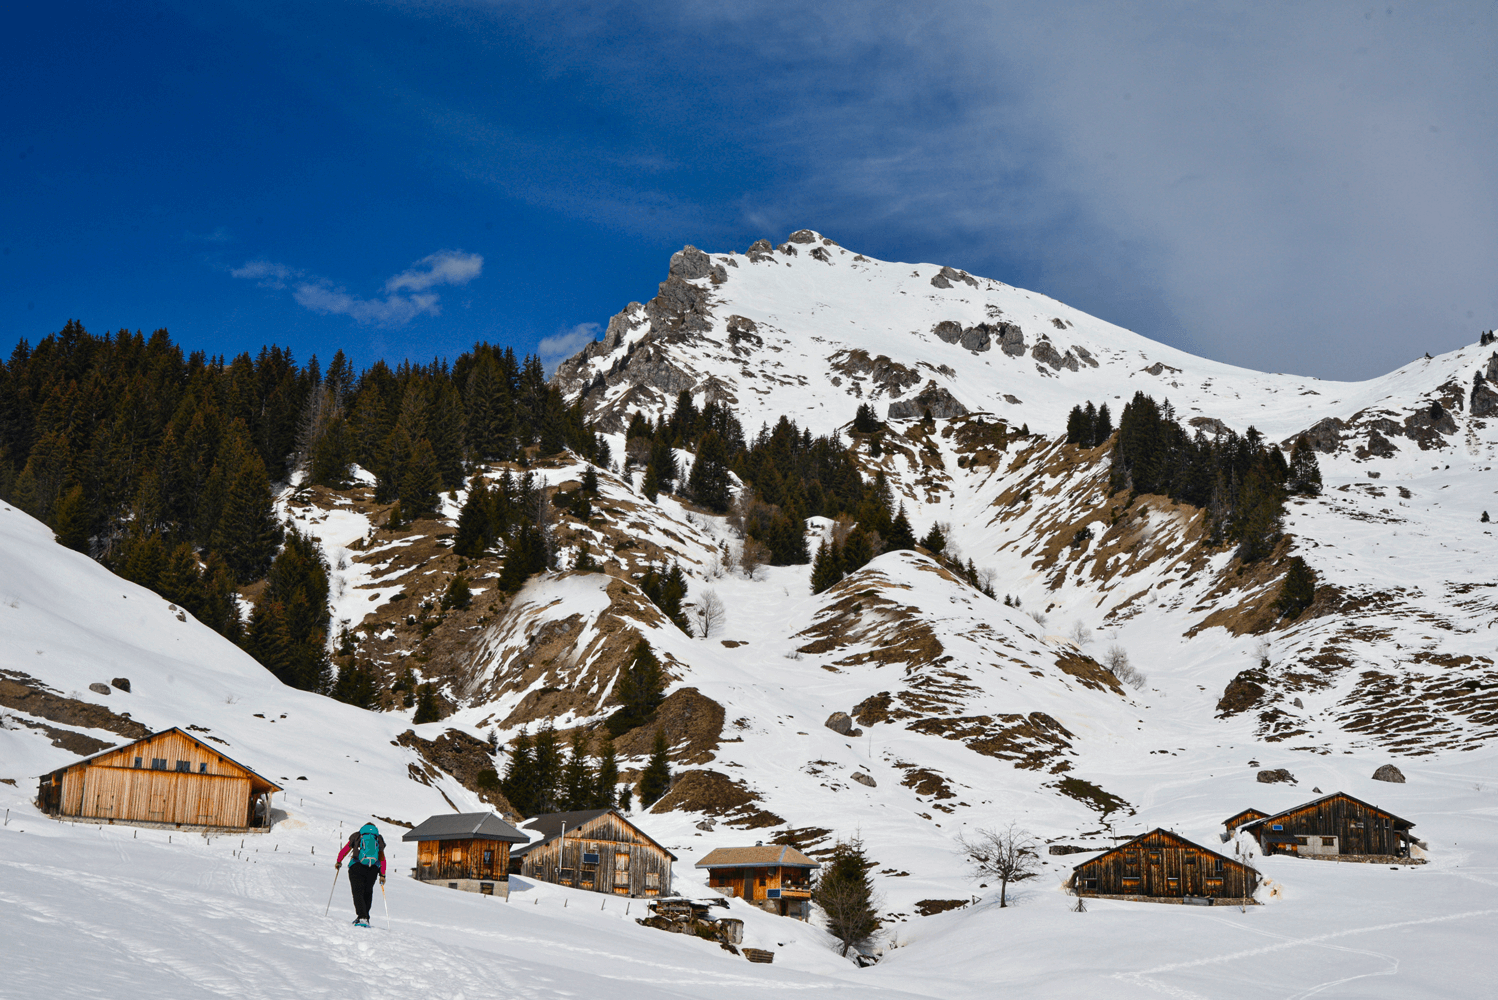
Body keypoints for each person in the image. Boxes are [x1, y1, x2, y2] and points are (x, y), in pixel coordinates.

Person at [336, 822, 387, 927]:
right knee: (368, 892)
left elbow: (345, 850)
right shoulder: (378, 838)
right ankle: (365, 918)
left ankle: (362, 917)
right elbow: (382, 857)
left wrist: (339, 861)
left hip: (356, 866)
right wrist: (382, 874)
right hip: (373, 868)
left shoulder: (357, 835)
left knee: (357, 892)